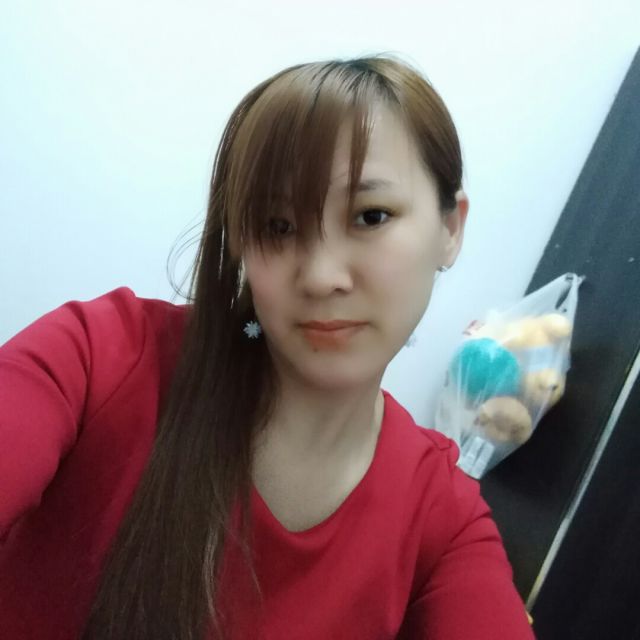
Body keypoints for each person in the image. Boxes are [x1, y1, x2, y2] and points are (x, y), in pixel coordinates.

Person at [0, 55, 535, 639]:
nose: (321, 276)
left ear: (450, 228)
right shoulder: (102, 357)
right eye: (278, 227)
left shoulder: (442, 518)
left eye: (370, 216)